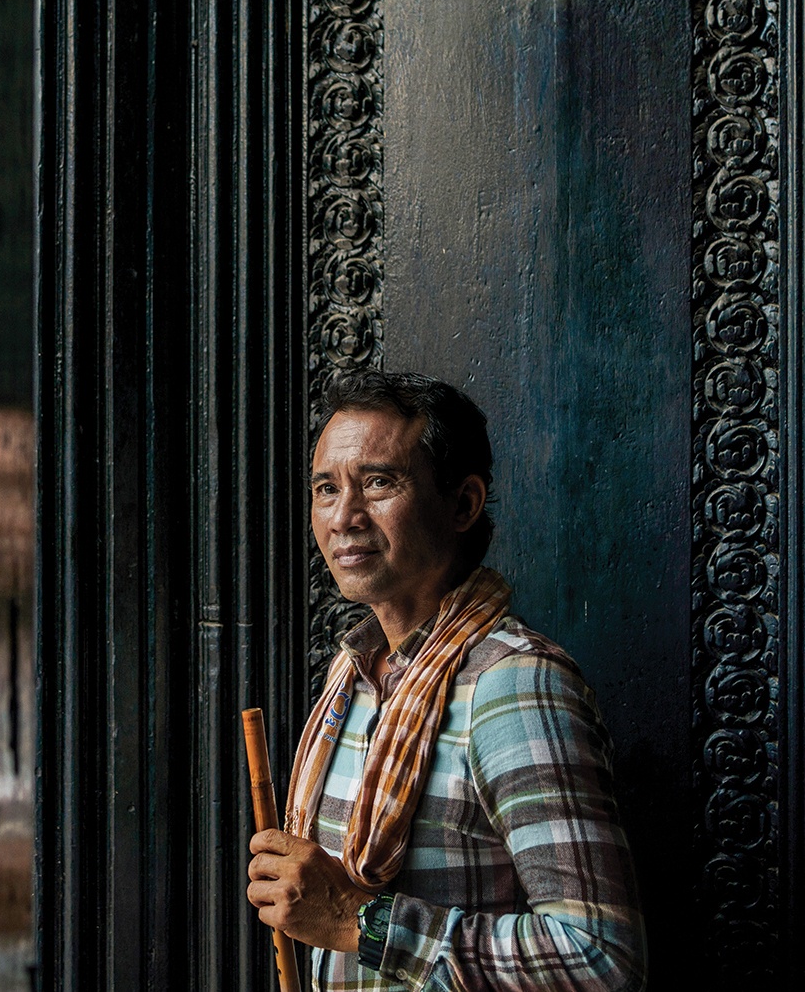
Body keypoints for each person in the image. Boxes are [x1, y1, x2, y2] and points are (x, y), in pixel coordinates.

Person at [247, 370, 646, 991]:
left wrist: (362, 922)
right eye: (327, 489)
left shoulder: (513, 687)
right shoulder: (352, 674)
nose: (345, 517)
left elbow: (602, 960)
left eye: (378, 482)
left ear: (462, 503)